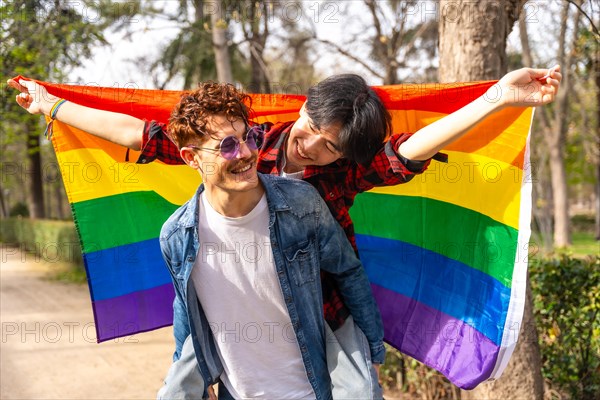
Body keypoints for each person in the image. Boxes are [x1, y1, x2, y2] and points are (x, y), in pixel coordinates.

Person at [7, 67, 561, 398]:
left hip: (320, 311)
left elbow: (406, 153)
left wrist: (496, 99)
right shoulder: (245, 141)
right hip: (233, 308)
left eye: (332, 146)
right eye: (313, 130)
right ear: (303, 110)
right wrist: (52, 105)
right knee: (188, 375)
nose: (313, 147)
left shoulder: (338, 173)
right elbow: (143, 135)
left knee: (356, 392)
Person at [157, 81, 384, 399]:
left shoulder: (302, 204)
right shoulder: (176, 236)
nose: (248, 153)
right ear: (191, 158)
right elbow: (185, 308)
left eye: (247, 138)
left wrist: (373, 353)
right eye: (228, 146)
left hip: (312, 389)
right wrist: (195, 374)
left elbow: (348, 272)